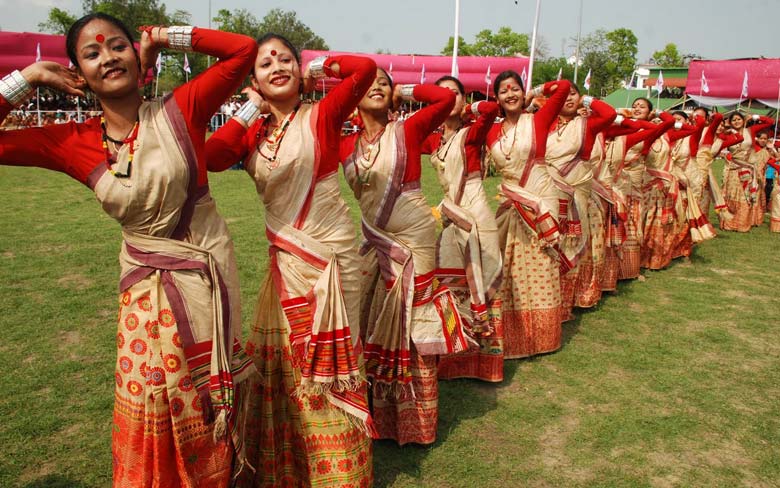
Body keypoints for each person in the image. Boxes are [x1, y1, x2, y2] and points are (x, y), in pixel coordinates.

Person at [0, 14, 257, 486]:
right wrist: (30, 77)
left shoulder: (182, 109)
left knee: (206, 404)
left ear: (137, 59)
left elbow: (242, 50)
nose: (108, 57)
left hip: (204, 286)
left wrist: (163, 36)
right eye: (92, 53)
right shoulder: (72, 142)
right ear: (79, 73)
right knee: (150, 398)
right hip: (142, 297)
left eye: (117, 46)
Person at [204, 35, 376, 487]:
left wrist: (318, 68)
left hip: (331, 260)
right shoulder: (254, 134)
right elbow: (213, 157)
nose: (276, 66)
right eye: (265, 64)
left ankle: (341, 476)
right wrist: (249, 109)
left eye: (285, 60)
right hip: (287, 260)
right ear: (255, 80)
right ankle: (293, 465)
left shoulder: (323, 115)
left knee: (331, 360)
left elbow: (363, 70)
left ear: (300, 73)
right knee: (290, 363)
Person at [340, 70, 466, 445]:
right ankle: (379, 410)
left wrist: (404, 90)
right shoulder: (344, 145)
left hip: (414, 241)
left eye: (383, 81)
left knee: (414, 320)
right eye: (368, 82)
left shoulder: (407, 130)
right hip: (376, 240)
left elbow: (444, 100)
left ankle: (417, 422)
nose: (377, 86)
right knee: (372, 312)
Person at [420, 75, 504, 383]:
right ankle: (454, 356)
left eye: (454, 93)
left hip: (476, 215)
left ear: (464, 98)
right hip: (452, 216)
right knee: (451, 283)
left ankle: (486, 363)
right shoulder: (434, 139)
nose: (448, 98)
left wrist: (467, 109)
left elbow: (492, 109)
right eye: (441, 94)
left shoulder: (472, 132)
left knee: (482, 278)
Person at [485, 73, 571, 359]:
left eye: (515, 89)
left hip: (540, 198)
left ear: (523, 93)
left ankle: (543, 336)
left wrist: (536, 90)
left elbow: (563, 88)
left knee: (542, 261)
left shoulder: (537, 120)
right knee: (508, 263)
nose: (510, 94)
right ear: (496, 98)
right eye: (503, 91)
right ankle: (513, 332)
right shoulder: (491, 131)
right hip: (512, 201)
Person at [545, 84, 616, 311]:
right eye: (562, 96)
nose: (567, 98)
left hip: (577, 193)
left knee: (572, 240)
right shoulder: (543, 124)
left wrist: (586, 99)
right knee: (549, 241)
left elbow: (610, 114)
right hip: (548, 192)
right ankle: (546, 297)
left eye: (572, 94)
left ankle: (568, 301)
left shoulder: (587, 125)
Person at [617, 98, 674, 280]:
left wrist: (656, 113)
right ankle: (612, 271)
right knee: (615, 220)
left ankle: (629, 269)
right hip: (614, 178)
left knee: (632, 221)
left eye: (642, 107)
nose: (637, 108)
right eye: (634, 106)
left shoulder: (649, 131)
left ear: (649, 112)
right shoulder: (623, 127)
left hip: (634, 181)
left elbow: (670, 122)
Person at [641, 110, 700, 270]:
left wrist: (660, 114)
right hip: (647, 184)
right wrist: (651, 121)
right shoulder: (643, 136)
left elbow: (691, 129)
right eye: (652, 121)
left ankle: (656, 259)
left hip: (665, 185)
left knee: (663, 222)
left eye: (658, 122)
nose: (656, 124)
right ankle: (642, 258)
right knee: (645, 220)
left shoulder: (667, 137)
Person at [721, 112, 774, 232]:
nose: (736, 122)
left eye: (739, 119)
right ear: (730, 122)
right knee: (732, 194)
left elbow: (770, 122)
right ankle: (729, 223)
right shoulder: (728, 133)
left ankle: (742, 224)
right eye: (734, 120)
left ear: (743, 120)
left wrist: (756, 117)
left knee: (745, 196)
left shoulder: (750, 130)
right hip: (733, 168)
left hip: (747, 168)